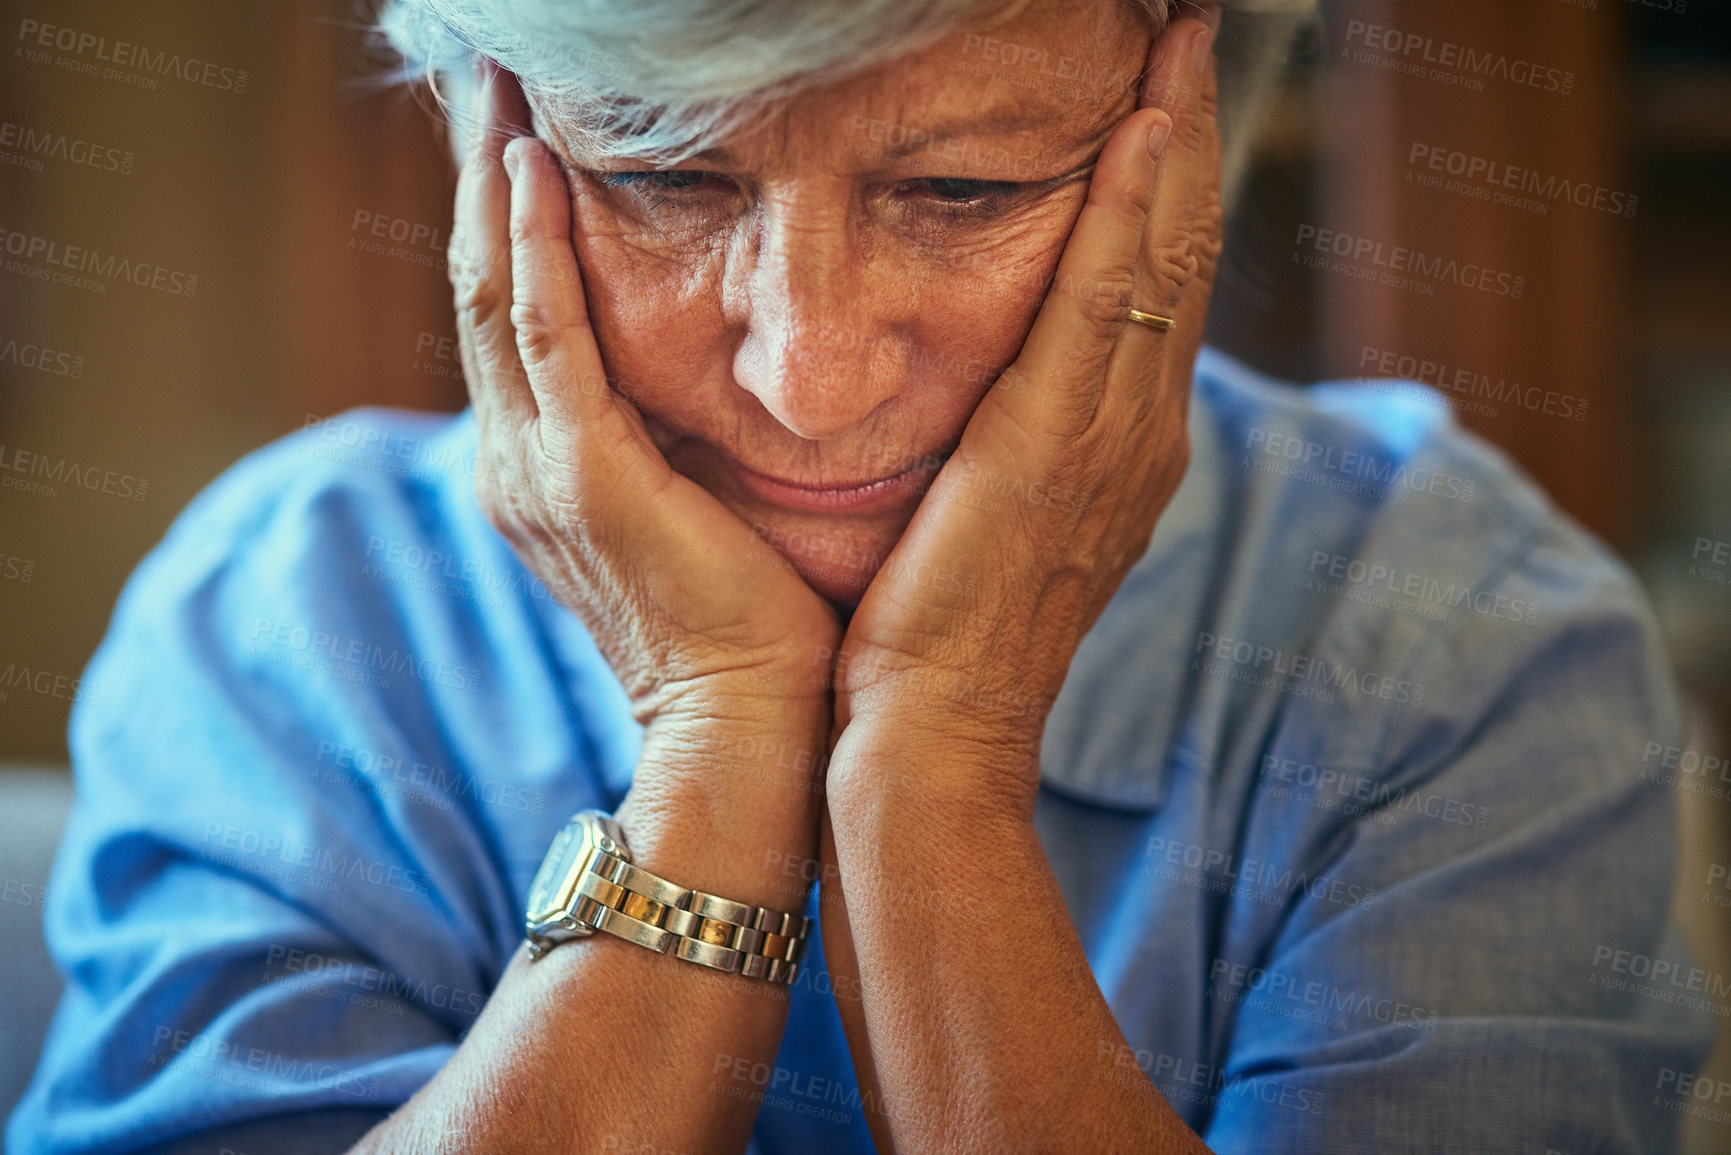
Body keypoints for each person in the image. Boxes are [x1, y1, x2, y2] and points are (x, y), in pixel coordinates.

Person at [8, 1, 1715, 1151]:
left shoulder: (1454, 619)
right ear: (480, 156)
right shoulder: (291, 615)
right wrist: (718, 730)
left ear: (1196, 159)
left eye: (963, 191)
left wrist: (939, 750)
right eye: (663, 176)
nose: (807, 374)